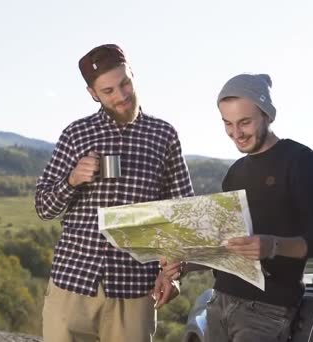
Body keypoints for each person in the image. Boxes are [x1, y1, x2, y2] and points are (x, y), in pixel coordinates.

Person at [35, 43, 195, 342]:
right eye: (108, 91)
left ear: (133, 74)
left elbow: (182, 214)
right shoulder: (76, 134)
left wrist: (173, 273)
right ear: (93, 94)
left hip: (135, 290)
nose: (121, 96)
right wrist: (71, 180)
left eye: (125, 83)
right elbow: (43, 206)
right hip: (73, 284)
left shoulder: (164, 135)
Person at [161, 73, 313, 342]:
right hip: (219, 302)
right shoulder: (235, 173)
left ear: (268, 115)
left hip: (267, 310)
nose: (236, 133)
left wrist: (272, 246)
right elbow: (226, 248)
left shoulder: (302, 162)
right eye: (227, 124)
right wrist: (186, 264)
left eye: (244, 122)